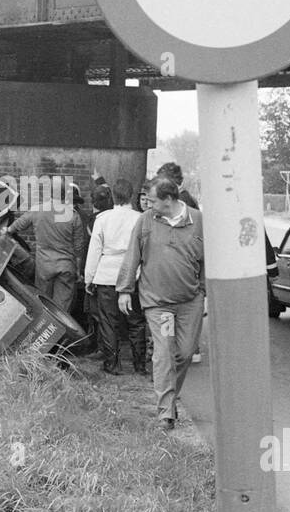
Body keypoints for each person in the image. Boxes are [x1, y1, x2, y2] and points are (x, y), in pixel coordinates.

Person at [116, 177, 204, 430]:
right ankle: (166, 412)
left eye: (153, 200)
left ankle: (170, 397)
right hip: (158, 303)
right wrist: (124, 290)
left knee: (185, 353)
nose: (148, 204)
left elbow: (209, 259)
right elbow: (133, 253)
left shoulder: (198, 221)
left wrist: (204, 290)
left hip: (189, 301)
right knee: (164, 352)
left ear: (168, 200)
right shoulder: (146, 221)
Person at [85, 179, 148, 375]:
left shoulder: (103, 219)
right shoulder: (140, 219)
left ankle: (112, 363)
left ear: (113, 196)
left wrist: (89, 277)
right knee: (136, 321)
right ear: (131, 195)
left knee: (108, 322)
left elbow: (94, 250)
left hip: (107, 274)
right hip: (133, 274)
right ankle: (139, 365)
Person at [6, 175, 87, 315]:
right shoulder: (73, 216)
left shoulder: (37, 210)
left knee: (44, 308)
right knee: (62, 312)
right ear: (65, 193)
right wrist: (78, 271)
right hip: (66, 267)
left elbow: (13, 228)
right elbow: (79, 248)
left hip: (44, 267)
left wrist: (5, 231)